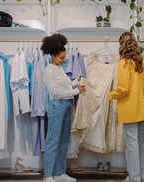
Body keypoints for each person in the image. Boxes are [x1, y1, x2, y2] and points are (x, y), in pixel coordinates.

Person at [41, 33, 86, 182]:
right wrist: (75, 91)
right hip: (57, 106)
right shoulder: (49, 70)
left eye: (64, 57)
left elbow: (64, 85)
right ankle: (48, 175)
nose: (63, 60)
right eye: (61, 58)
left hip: (66, 105)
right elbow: (55, 91)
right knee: (53, 141)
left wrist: (75, 82)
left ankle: (60, 173)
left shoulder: (59, 68)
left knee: (64, 141)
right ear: (53, 56)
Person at [108, 32, 144, 182]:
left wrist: (110, 95)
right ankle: (143, 177)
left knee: (132, 147)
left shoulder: (123, 63)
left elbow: (123, 89)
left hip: (129, 110)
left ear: (121, 45)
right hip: (140, 109)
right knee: (140, 145)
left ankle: (134, 178)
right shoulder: (141, 62)